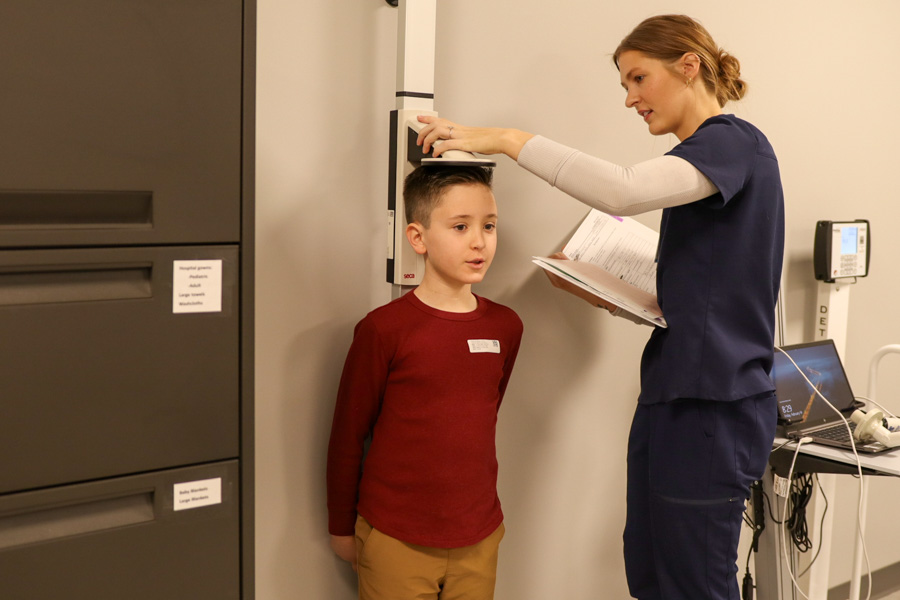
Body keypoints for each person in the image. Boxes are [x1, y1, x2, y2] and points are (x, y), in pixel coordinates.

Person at [416, 14, 784, 600]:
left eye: (638, 79)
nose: (631, 99)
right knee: (651, 571)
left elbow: (622, 190)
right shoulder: (701, 164)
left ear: (689, 66)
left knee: (694, 582)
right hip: (675, 394)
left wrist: (507, 138)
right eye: (625, 85)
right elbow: (706, 294)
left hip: (713, 404)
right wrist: (610, 292)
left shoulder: (733, 143)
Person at [326, 164, 523, 600]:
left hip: (478, 535)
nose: (479, 241)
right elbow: (348, 434)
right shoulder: (384, 329)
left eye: (489, 226)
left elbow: (483, 412)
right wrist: (341, 528)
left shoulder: (506, 326)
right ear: (418, 238)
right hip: (396, 538)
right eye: (460, 226)